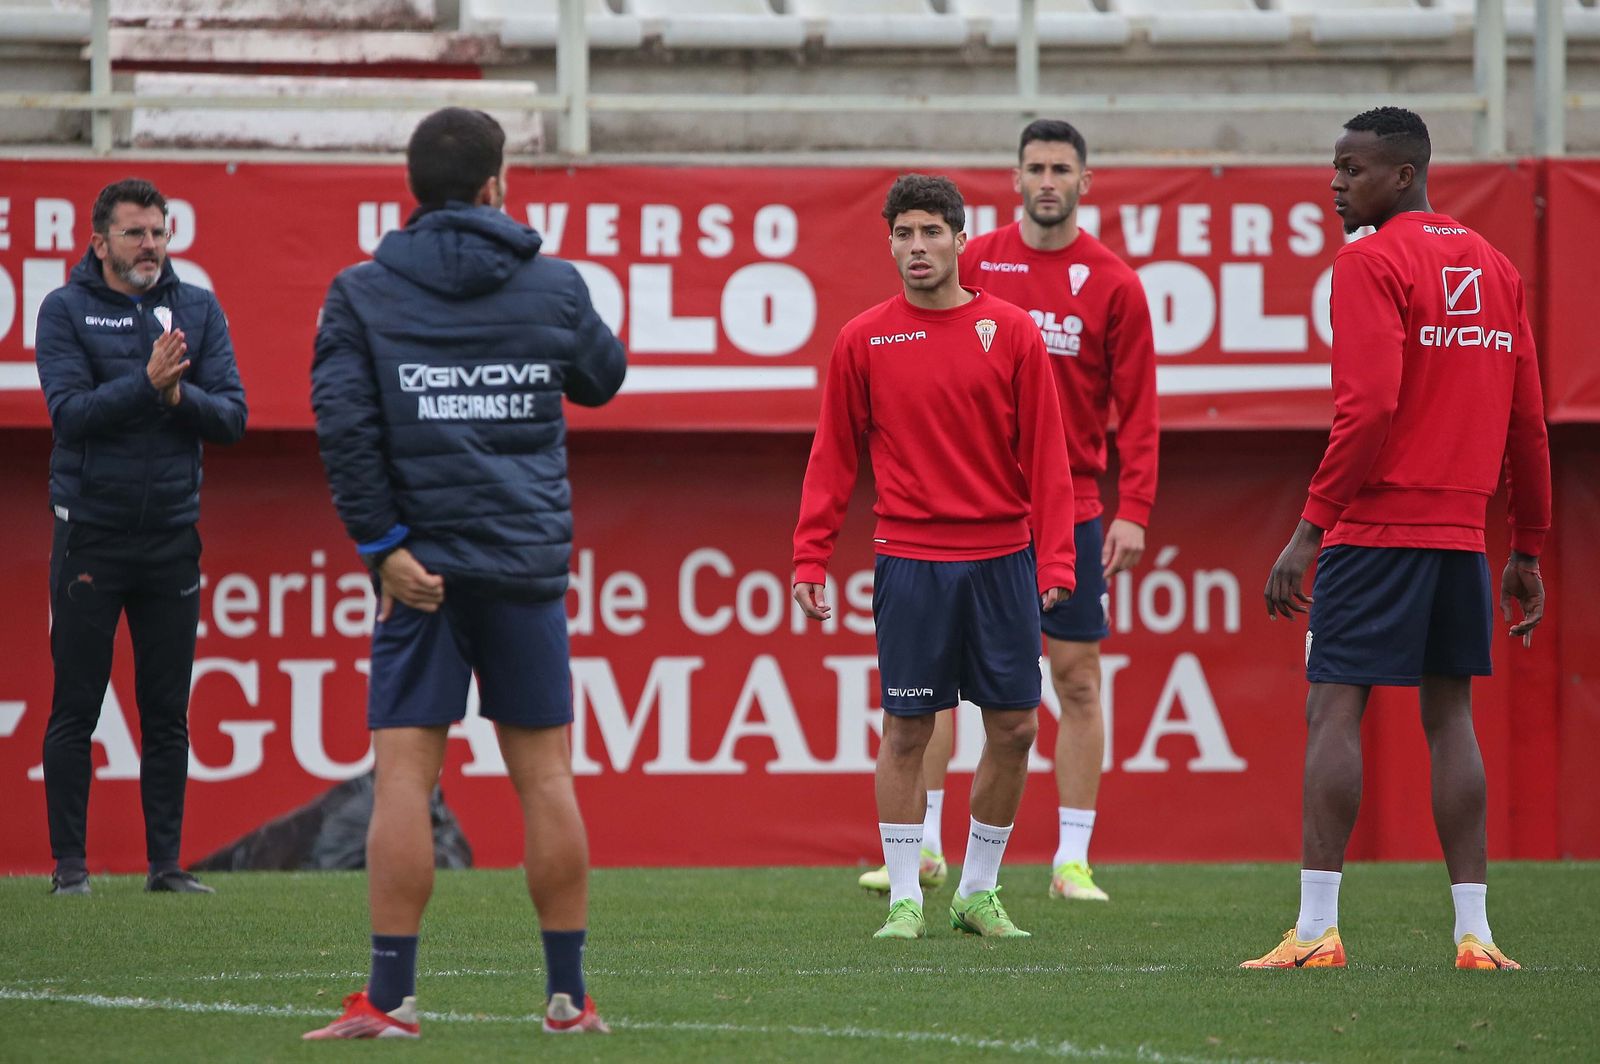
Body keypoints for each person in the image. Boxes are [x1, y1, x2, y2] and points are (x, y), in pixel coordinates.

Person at [303, 108, 625, 1038]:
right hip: (523, 566)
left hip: (422, 573)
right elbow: (603, 378)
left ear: (413, 188)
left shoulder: (359, 292)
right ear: (497, 184)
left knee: (403, 780)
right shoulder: (552, 281)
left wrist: (381, 547)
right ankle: (569, 999)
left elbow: (345, 433)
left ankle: (391, 1001)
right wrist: (543, 305)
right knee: (547, 779)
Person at [1244, 107, 1549, 971]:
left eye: (1351, 168)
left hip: (1375, 528)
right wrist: (1525, 547)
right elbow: (1529, 424)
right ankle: (1476, 936)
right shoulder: (1496, 268)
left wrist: (1310, 531)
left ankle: (1314, 932)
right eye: (1335, 167)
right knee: (1450, 714)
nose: (1334, 183)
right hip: (1460, 534)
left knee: (1334, 705)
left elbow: (1370, 406)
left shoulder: (1369, 261)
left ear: (1403, 175)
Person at [854, 119, 1159, 904]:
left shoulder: (1113, 282)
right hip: (970, 517)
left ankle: (1072, 858)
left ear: (1085, 182)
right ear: (1015, 178)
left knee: (1075, 678)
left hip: (1074, 502)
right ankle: (922, 849)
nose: (1047, 180)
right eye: (1035, 167)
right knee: (940, 691)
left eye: (1062, 168)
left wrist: (1136, 508)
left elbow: (1141, 409)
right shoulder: (973, 256)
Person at [794, 173, 1076, 940]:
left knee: (1016, 728)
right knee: (908, 729)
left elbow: (1049, 457)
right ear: (889, 243)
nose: (917, 247)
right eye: (904, 234)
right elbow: (832, 457)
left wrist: (1056, 561)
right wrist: (809, 556)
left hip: (1002, 560)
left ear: (959, 239)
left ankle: (977, 892)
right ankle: (905, 900)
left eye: (931, 232)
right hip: (911, 561)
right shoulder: (863, 338)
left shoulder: (1012, 331)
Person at [35, 178, 248, 897]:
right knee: (77, 705)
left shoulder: (198, 308)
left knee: (167, 711)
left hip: (171, 540)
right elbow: (69, 415)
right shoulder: (64, 311)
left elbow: (232, 417)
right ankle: (69, 867)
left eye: (158, 231)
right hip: (91, 537)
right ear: (100, 243)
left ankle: (166, 866)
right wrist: (147, 382)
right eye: (135, 233)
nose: (150, 245)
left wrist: (177, 394)